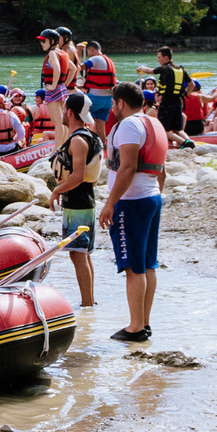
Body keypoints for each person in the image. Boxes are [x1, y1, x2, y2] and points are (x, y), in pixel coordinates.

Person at [100, 83, 167, 344]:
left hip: (132, 202)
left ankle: (135, 327)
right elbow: (162, 169)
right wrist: (156, 195)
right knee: (148, 264)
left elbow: (127, 167)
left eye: (114, 103)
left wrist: (110, 204)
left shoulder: (128, 125)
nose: (113, 108)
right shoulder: (154, 123)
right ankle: (145, 322)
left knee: (133, 268)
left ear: (120, 103)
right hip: (151, 198)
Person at [46, 95, 99, 309]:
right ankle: (90, 302)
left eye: (64, 108)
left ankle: (87, 305)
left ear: (69, 112)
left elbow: (77, 176)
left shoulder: (78, 140)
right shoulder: (87, 136)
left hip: (78, 204)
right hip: (84, 202)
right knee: (82, 255)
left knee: (78, 256)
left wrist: (55, 191)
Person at [152, 48, 186, 139]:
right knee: (178, 130)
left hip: (167, 102)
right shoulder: (180, 69)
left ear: (166, 58)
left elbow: (150, 71)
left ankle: (183, 142)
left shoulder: (165, 69)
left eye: (159, 57)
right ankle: (189, 141)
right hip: (177, 102)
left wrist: (141, 68)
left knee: (163, 130)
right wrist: (183, 95)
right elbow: (191, 85)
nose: (158, 60)